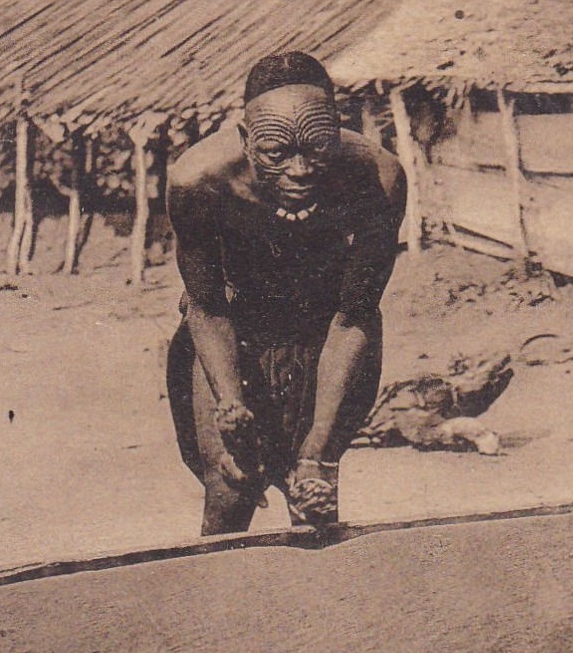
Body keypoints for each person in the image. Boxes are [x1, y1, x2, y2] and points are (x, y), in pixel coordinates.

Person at [166, 52, 406, 535]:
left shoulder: (376, 179)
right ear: (245, 140)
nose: (299, 171)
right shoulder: (199, 182)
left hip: (327, 337)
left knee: (313, 500)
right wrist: (230, 402)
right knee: (230, 487)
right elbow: (207, 306)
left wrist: (318, 451)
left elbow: (354, 315)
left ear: (337, 131)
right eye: (277, 154)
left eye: (316, 150)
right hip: (231, 329)